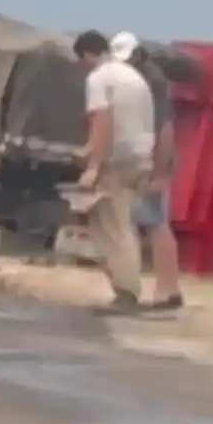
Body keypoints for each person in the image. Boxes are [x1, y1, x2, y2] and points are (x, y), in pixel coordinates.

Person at [72, 30, 155, 314]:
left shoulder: (98, 78)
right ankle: (128, 288)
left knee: (110, 228)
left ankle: (126, 293)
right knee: (124, 226)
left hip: (115, 161)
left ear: (86, 55)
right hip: (140, 159)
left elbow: (103, 121)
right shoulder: (134, 77)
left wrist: (93, 165)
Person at [109, 31, 183, 310]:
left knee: (155, 224)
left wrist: (159, 173)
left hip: (151, 162)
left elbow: (164, 129)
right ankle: (165, 289)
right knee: (148, 224)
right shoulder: (134, 79)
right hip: (140, 158)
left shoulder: (152, 82)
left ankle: (167, 290)